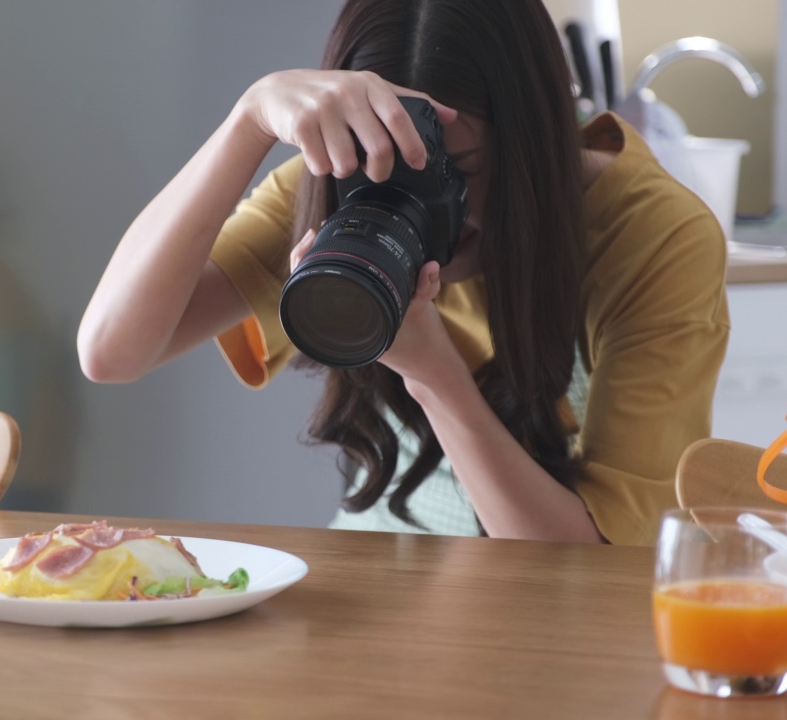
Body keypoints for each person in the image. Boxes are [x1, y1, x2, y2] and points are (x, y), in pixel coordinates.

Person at [77, 0, 729, 546]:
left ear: (537, 137)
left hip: (554, 612)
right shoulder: (349, 187)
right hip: (382, 574)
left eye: (462, 170)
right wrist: (247, 122)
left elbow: (582, 563)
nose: (430, 204)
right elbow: (112, 351)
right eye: (390, 163)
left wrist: (431, 370)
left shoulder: (652, 237)